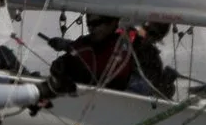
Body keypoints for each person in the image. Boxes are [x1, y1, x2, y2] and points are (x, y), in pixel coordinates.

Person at [47, 16, 178, 98]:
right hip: (95, 95)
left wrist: (166, 84)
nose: (148, 37)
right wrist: (66, 45)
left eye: (155, 35)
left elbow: (154, 95)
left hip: (123, 104)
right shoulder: (119, 41)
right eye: (147, 30)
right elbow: (91, 49)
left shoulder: (152, 59)